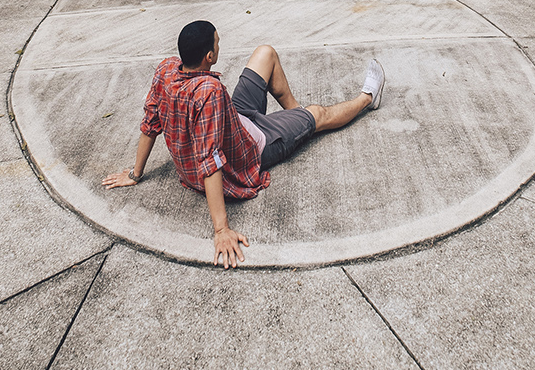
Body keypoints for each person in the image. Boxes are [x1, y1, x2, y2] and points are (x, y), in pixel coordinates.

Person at [103, 20, 385, 269]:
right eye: (217, 42)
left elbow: (150, 121)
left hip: (234, 119)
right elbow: (210, 158)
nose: (219, 45)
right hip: (254, 147)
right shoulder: (209, 93)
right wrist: (221, 229)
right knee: (320, 114)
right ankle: (367, 98)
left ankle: (297, 118)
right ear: (210, 56)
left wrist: (134, 174)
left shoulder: (167, 69)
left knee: (266, 53)